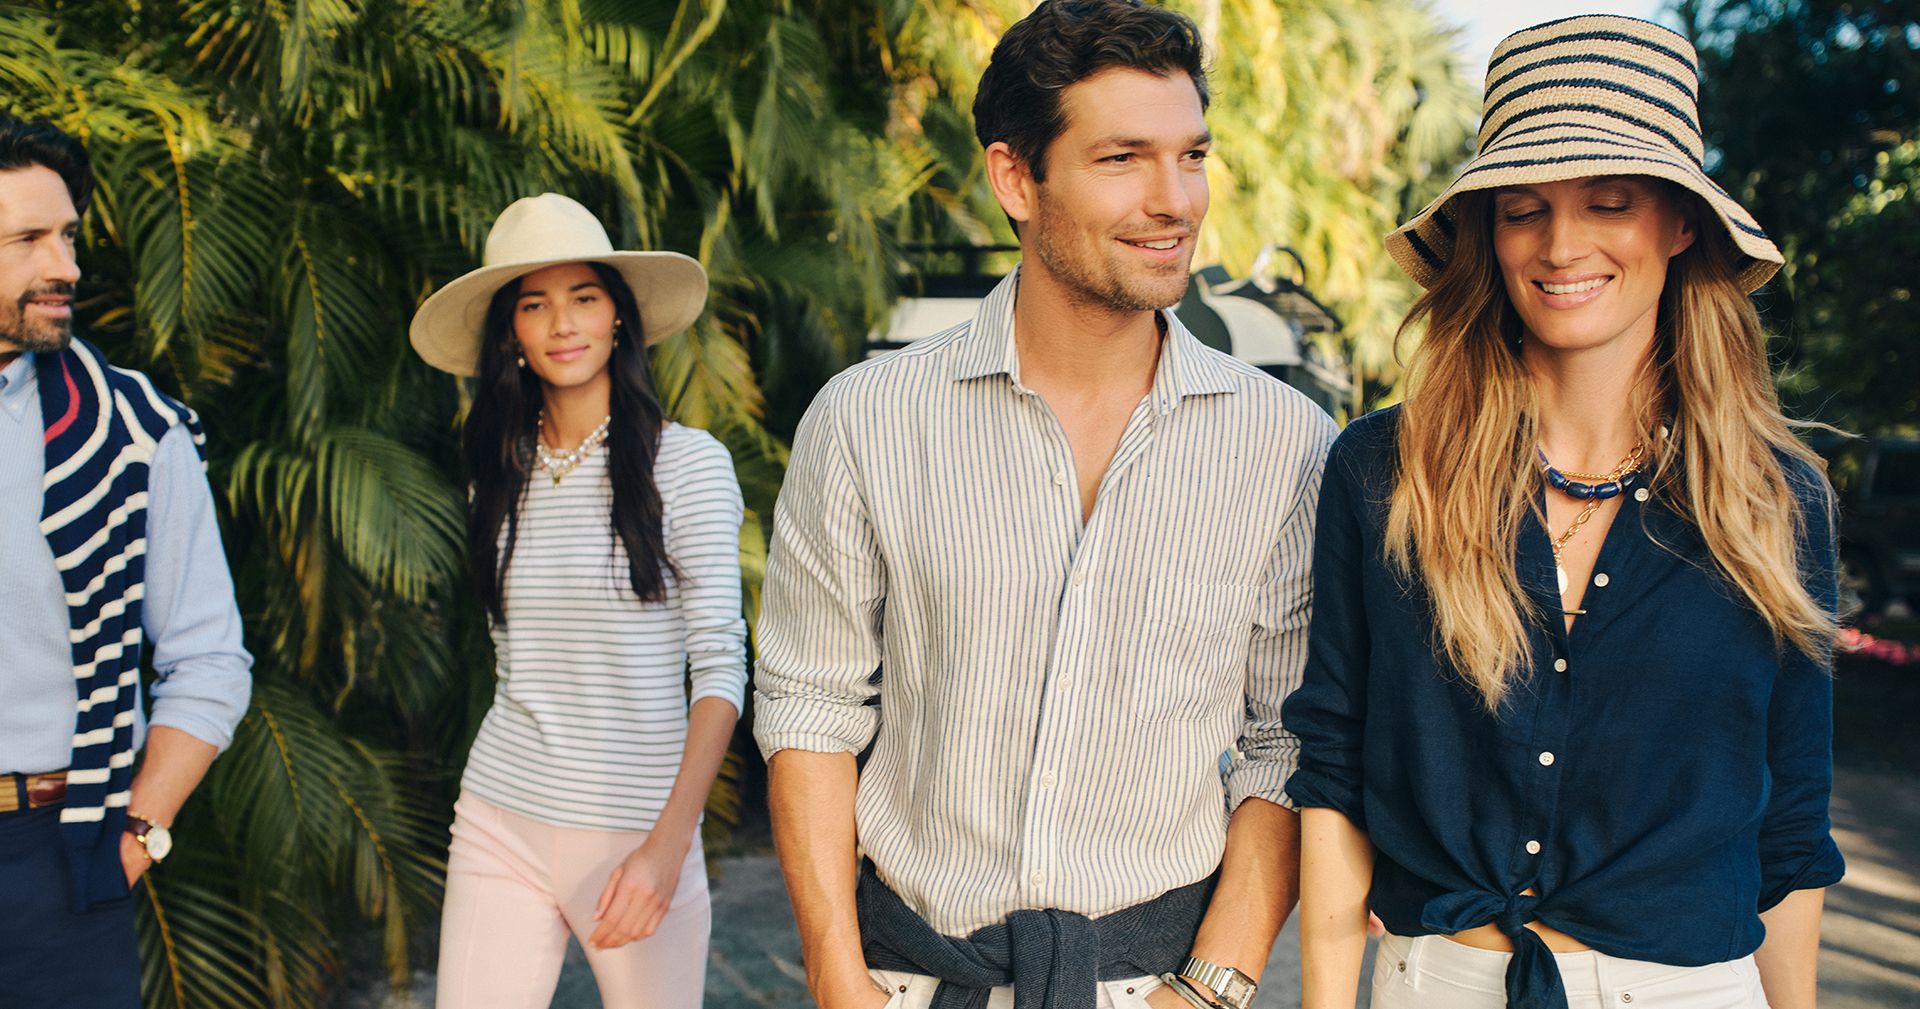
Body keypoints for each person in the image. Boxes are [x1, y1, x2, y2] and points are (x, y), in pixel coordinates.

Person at [752, 2, 1337, 1008]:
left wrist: (1208, 991)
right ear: (1016, 178)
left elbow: (1291, 739)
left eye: (1191, 155)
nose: (1175, 201)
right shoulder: (864, 420)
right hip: (909, 976)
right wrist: (837, 977)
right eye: (1122, 159)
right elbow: (810, 708)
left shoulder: (1286, 444)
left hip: (1157, 981)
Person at [1288, 15, 1844, 1009]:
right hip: (1438, 984)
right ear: (1488, 231)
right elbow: (1332, 771)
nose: (1561, 245)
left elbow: (1791, 829)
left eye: (1611, 203)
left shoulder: (1778, 500)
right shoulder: (1383, 471)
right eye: (1524, 208)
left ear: (1680, 224)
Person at [407, 192, 746, 1009]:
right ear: (512, 336)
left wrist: (668, 847)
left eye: (584, 297)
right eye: (535, 303)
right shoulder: (496, 474)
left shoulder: (687, 464)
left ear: (619, 319)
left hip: (636, 826)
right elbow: (508, 659)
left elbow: (722, 668)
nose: (562, 322)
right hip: (500, 813)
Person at [0, 113, 253, 1007]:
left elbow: (210, 658)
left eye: (66, 234)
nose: (66, 265)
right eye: (28, 239)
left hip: (54, 857)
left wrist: (137, 832)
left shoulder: (135, 434)